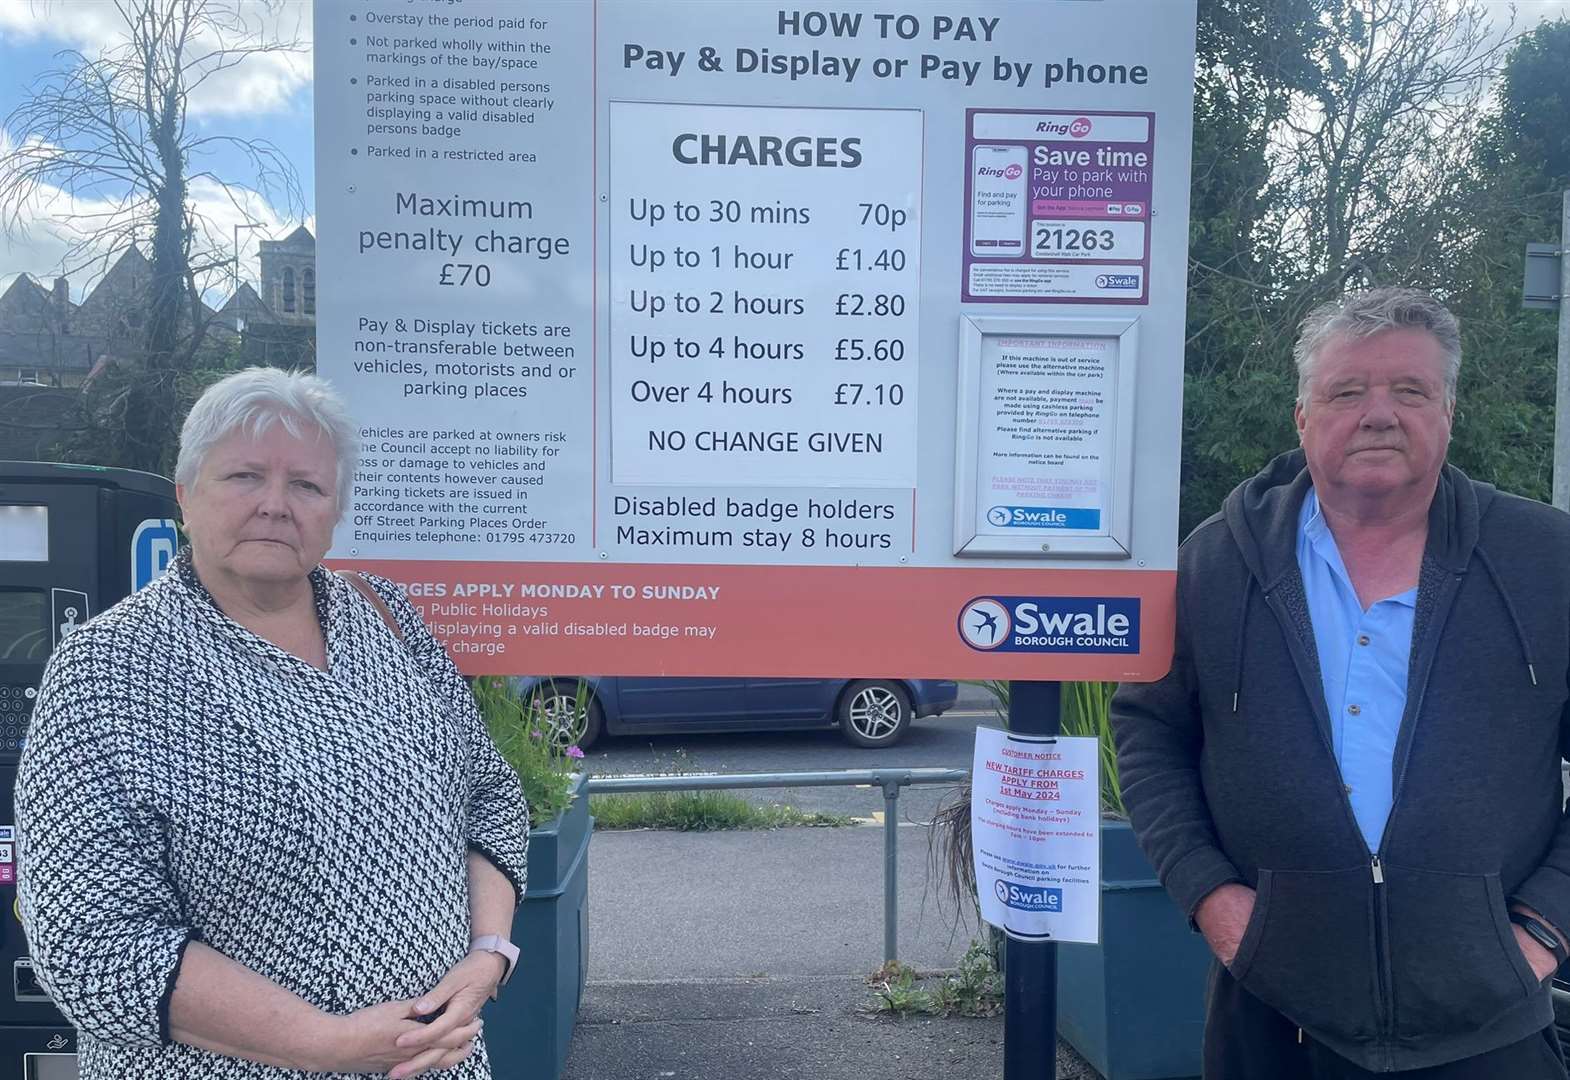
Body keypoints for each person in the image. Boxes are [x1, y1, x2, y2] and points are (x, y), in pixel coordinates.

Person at [17, 367, 529, 1079]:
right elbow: (92, 943)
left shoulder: (383, 615)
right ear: (185, 495)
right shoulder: (108, 670)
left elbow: (490, 796)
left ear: (335, 509)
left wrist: (488, 956)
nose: (275, 506)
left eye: (308, 486)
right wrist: (329, 1044)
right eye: (244, 477)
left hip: (436, 1064)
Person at [1113, 287, 1570, 1079]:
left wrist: (1546, 928)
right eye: (1347, 391)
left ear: (1449, 412)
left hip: (1490, 1028)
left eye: (1410, 390)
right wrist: (1212, 900)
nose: (1379, 413)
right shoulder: (1214, 562)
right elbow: (1151, 732)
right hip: (1274, 1021)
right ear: (1302, 416)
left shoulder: (1545, 561)